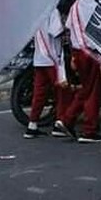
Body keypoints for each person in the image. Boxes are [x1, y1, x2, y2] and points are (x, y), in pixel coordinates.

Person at [54, 0, 101, 143]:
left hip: (77, 52)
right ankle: (88, 129)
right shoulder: (95, 7)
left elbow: (69, 26)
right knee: (93, 92)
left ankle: (68, 120)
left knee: (86, 89)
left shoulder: (75, 5)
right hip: (91, 53)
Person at [24, 8, 68, 139]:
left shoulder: (36, 12)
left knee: (39, 94)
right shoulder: (52, 11)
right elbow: (56, 31)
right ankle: (59, 124)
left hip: (39, 59)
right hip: (52, 58)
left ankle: (32, 125)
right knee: (61, 91)